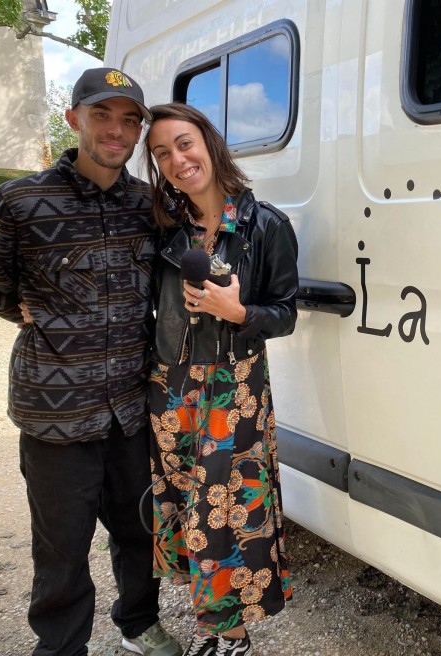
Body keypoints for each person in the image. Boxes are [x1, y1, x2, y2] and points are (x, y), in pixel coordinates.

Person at [0, 69, 182, 656]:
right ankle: (62, 648)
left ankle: (138, 623)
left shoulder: (150, 204)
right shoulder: (19, 201)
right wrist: (29, 314)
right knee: (61, 546)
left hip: (131, 407)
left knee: (140, 527)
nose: (117, 130)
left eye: (129, 119)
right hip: (55, 412)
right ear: (73, 118)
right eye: (101, 114)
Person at [142, 102, 298, 656]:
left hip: (236, 385)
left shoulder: (266, 225)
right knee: (185, 503)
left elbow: (285, 313)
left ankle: (231, 636)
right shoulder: (164, 228)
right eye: (162, 152)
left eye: (184, 144)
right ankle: (213, 628)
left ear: (209, 143)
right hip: (171, 383)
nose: (177, 160)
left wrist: (238, 312)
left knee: (224, 508)